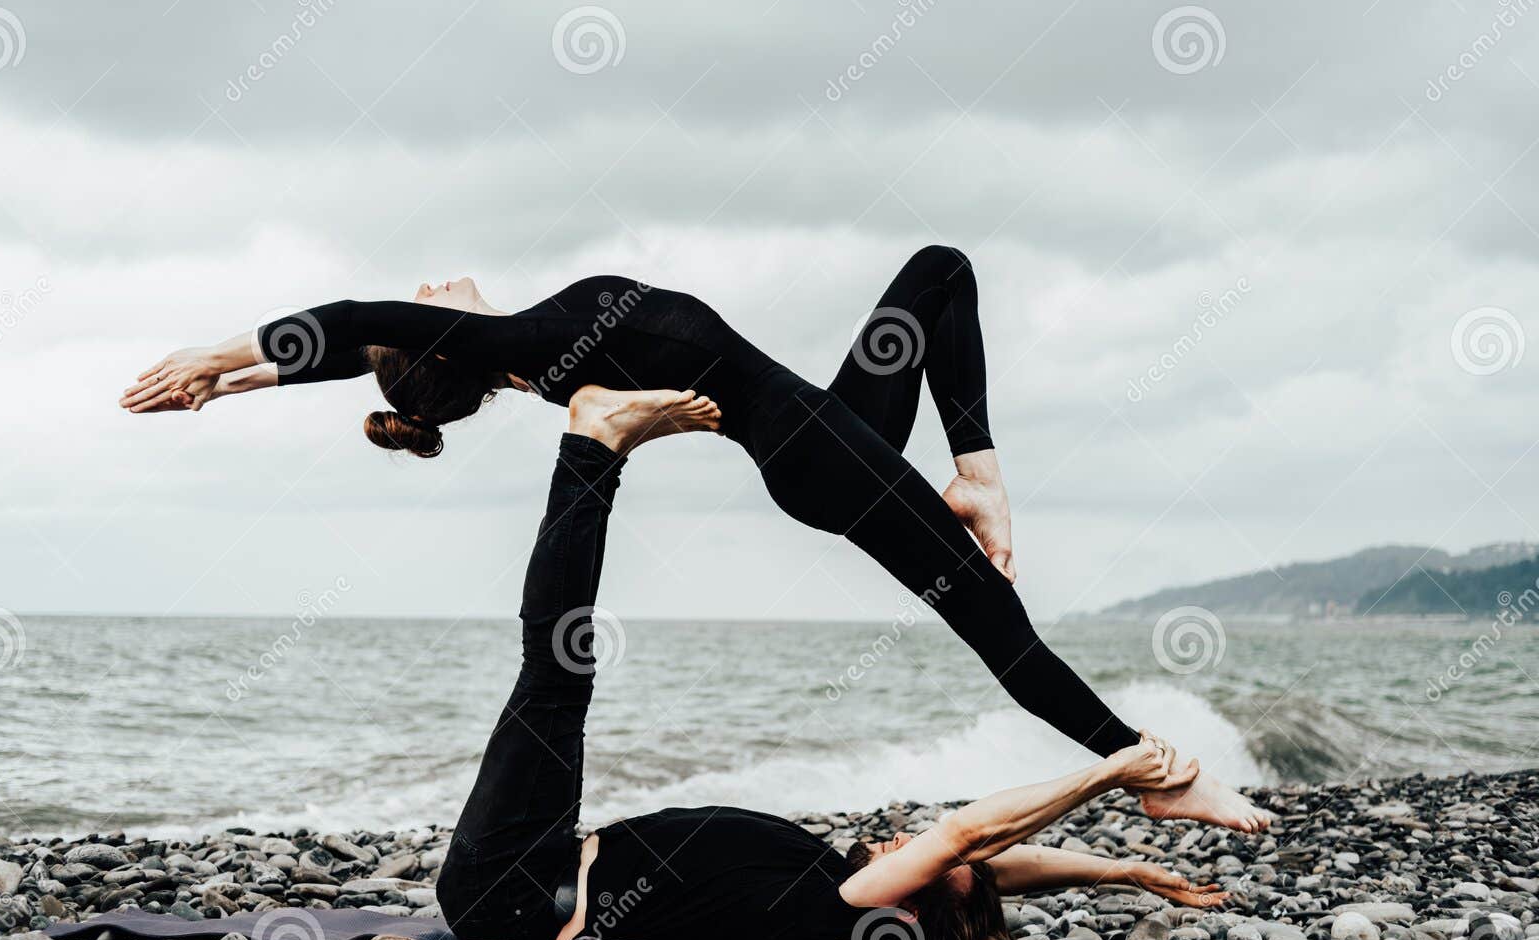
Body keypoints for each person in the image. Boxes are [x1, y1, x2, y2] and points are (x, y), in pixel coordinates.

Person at [120, 246, 1272, 833]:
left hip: (831, 425)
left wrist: (247, 381)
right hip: (818, 464)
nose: (432, 280)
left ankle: (975, 478)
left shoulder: (525, 344)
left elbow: (374, 348)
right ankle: (1154, 769)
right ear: (443, 348)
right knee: (995, 625)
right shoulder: (514, 335)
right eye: (431, 299)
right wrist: (221, 356)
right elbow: (364, 322)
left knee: (938, 273)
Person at [430, 391, 1221, 940]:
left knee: (557, 670)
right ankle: (598, 448)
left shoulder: (840, 907)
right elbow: (997, 862)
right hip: (539, 863)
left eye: (920, 859)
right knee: (562, 674)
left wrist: (1108, 772)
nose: (912, 837)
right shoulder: (845, 877)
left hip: (515, 887)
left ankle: (593, 448)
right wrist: (1119, 869)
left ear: (907, 897)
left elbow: (967, 835)